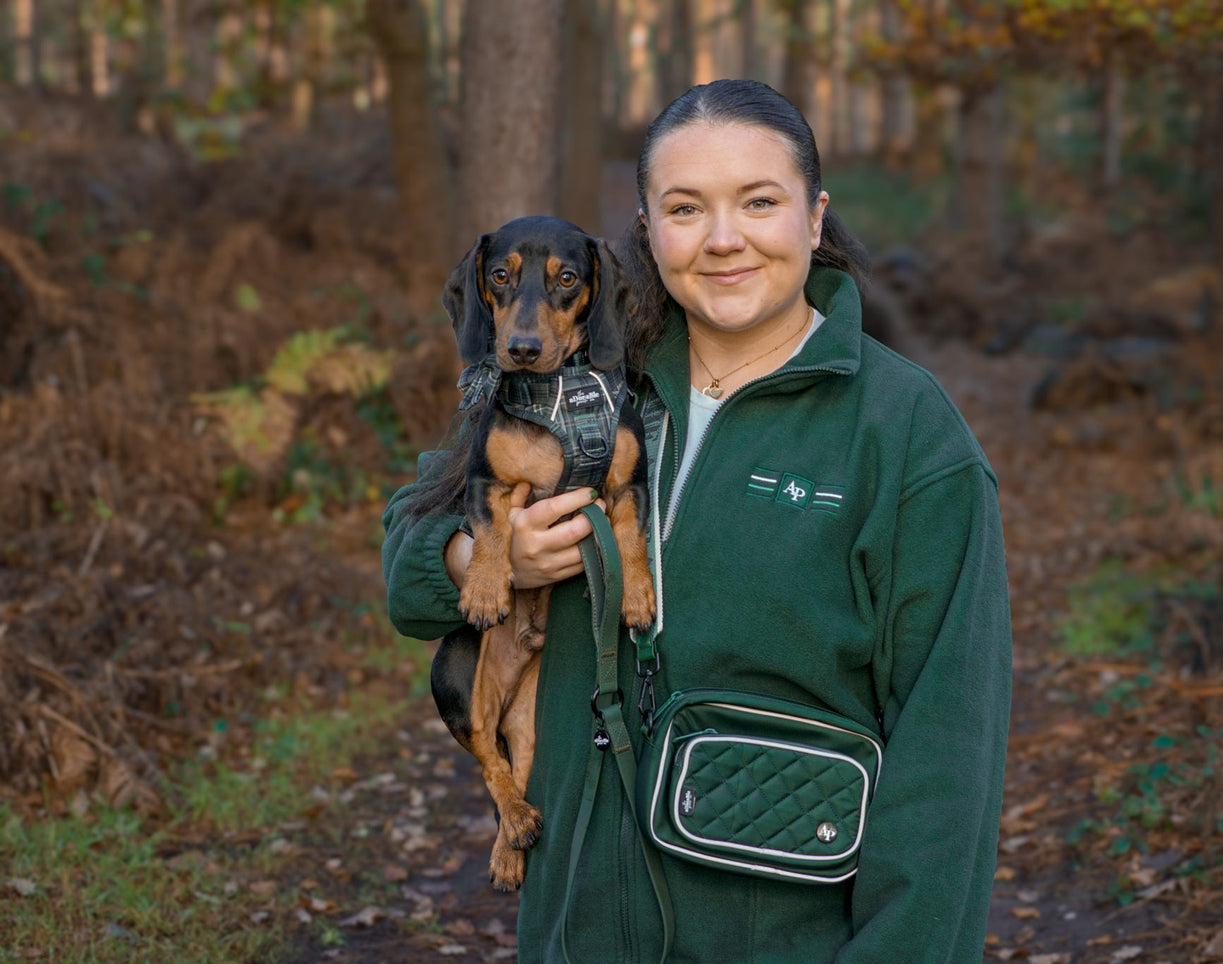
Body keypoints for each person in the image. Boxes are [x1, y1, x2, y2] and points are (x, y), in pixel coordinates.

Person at [382, 79, 1011, 963]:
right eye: (685, 208)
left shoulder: (903, 434)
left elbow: (949, 757)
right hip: (573, 929)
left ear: (814, 216)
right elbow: (407, 552)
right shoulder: (575, 382)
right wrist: (474, 560)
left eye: (759, 201)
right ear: (646, 228)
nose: (723, 240)